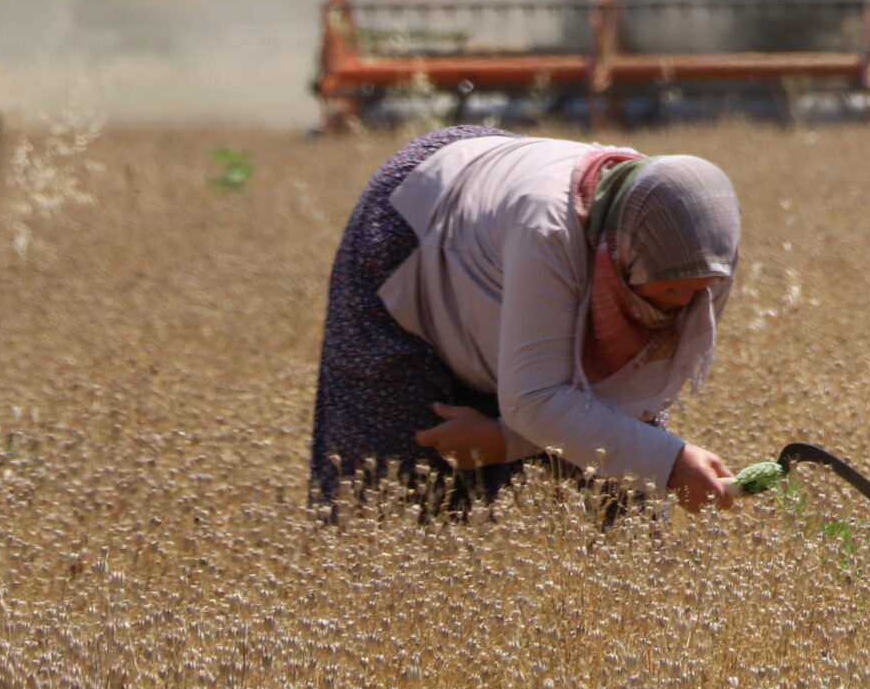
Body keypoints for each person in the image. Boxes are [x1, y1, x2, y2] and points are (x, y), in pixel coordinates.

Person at [308, 124, 742, 514]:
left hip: (502, 212)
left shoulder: (695, 245)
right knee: (387, 502)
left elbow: (630, 391)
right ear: (623, 255)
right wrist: (670, 464)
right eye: (667, 288)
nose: (681, 304)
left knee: (629, 507)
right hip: (418, 219)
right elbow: (535, 400)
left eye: (697, 289)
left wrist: (508, 441)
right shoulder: (549, 230)